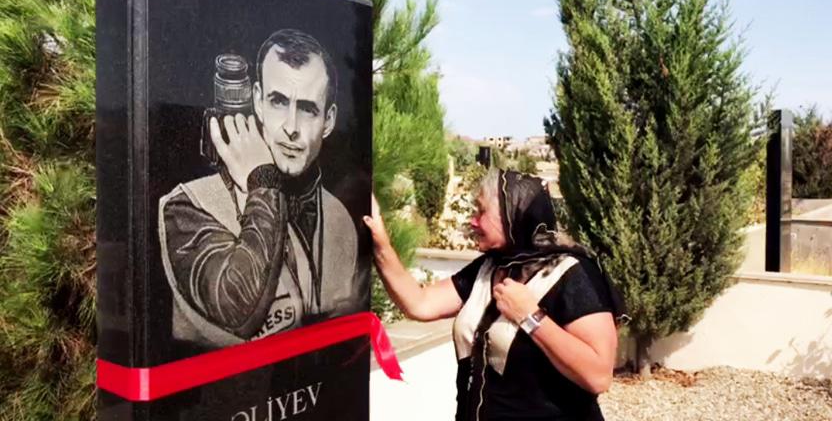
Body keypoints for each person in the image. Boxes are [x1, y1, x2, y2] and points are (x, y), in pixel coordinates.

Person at [363, 169, 627, 420]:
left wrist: (531, 317)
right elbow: (420, 304)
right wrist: (380, 243)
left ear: (513, 215)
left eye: (481, 211)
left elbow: (598, 376)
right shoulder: (489, 268)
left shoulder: (572, 274)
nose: (473, 221)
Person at [159, 29, 362, 348]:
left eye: (307, 109)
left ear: (328, 120)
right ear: (257, 100)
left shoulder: (339, 218)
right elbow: (238, 311)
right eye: (278, 102)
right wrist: (263, 180)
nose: (291, 128)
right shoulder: (188, 205)